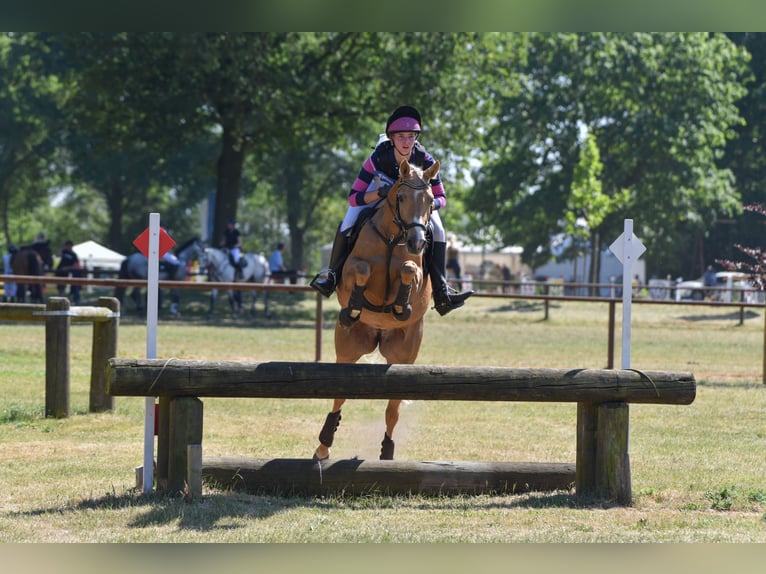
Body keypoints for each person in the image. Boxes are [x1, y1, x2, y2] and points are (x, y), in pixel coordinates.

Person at [310, 105, 474, 316]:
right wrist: (379, 193)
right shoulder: (377, 158)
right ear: (391, 138)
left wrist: (428, 205)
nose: (406, 142)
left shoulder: (426, 160)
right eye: (401, 137)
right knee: (348, 221)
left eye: (411, 136)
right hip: (377, 191)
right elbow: (353, 198)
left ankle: (442, 292)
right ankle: (331, 276)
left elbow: (442, 197)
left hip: (415, 200)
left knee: (439, 230)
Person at [55, 240, 82, 304]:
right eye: (67, 245)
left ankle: (62, 301)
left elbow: (75, 266)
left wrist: (67, 268)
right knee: (59, 288)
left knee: (63, 287)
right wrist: (62, 250)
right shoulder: (64, 251)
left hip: (66, 273)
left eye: (69, 245)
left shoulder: (74, 255)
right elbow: (57, 255)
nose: (68, 247)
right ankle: (60, 300)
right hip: (59, 272)